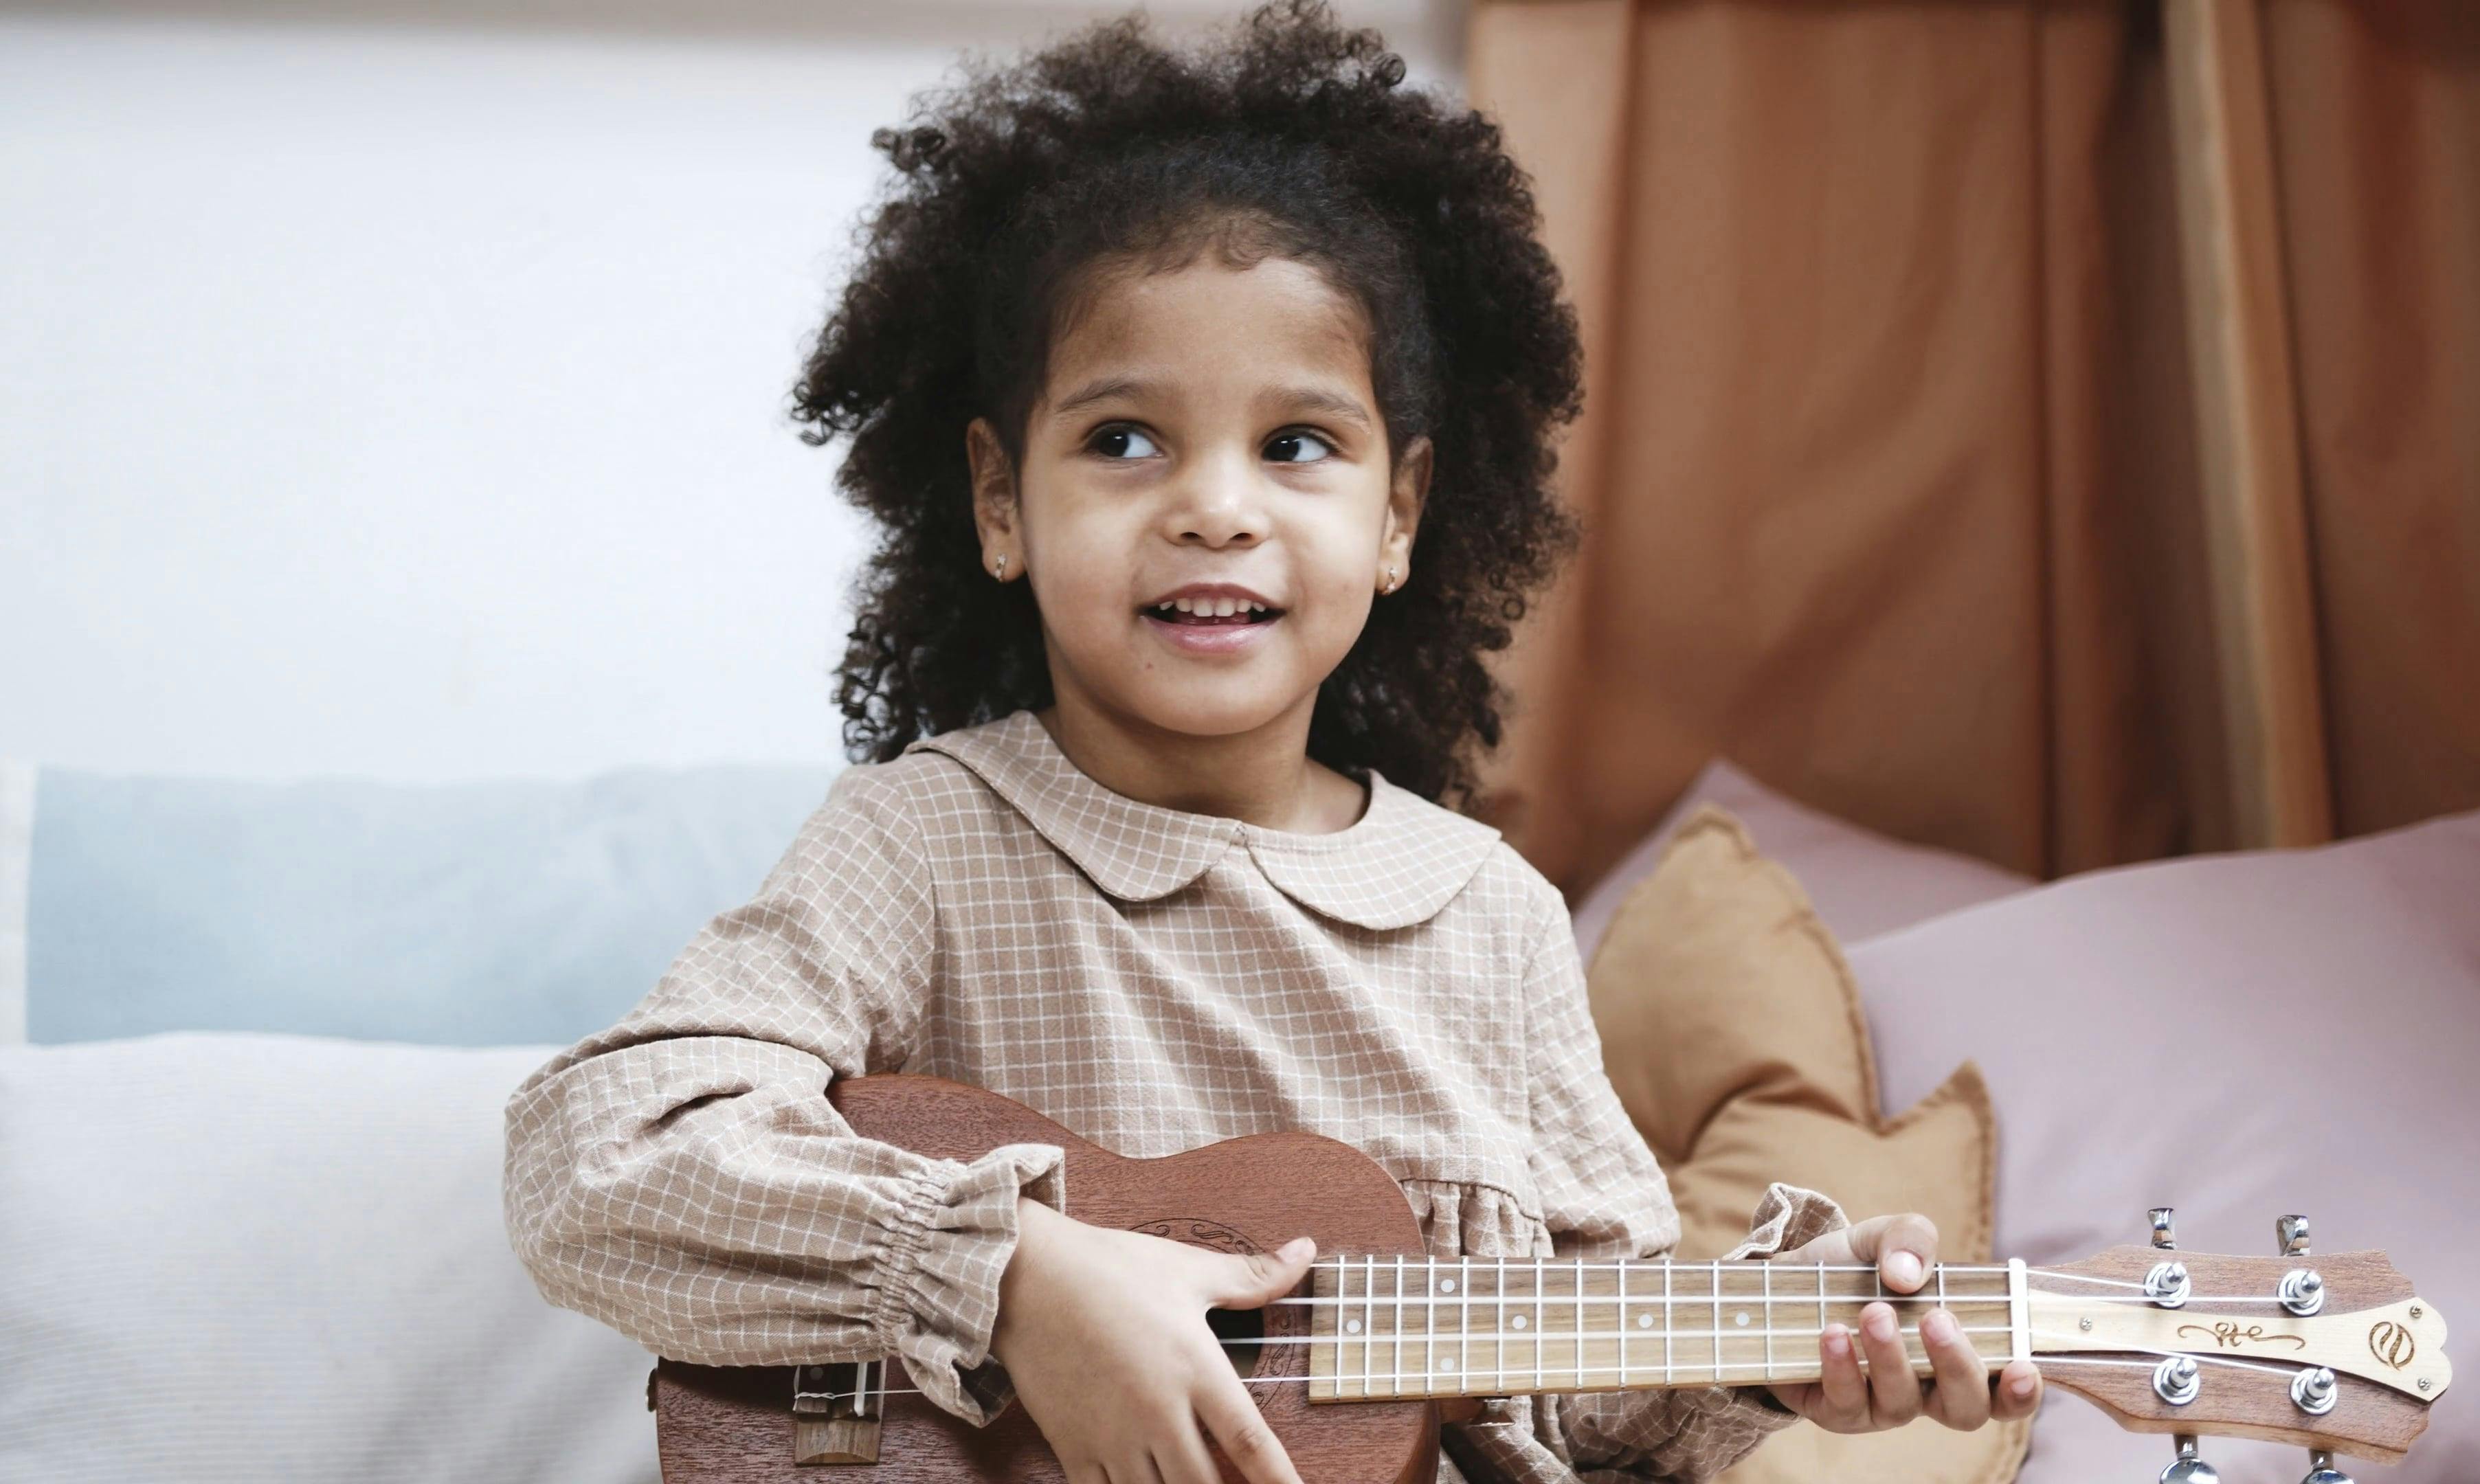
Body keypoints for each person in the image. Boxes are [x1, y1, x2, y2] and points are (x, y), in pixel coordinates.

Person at [500, 6, 2040, 1482]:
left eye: (1295, 443)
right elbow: (597, 1155)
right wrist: (1017, 1281)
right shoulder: (926, 844)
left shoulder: (1485, 915)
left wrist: (1768, 1344)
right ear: (995, 502)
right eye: (1122, 439)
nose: (1215, 505)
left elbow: (1575, 1408)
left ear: (1398, 516)